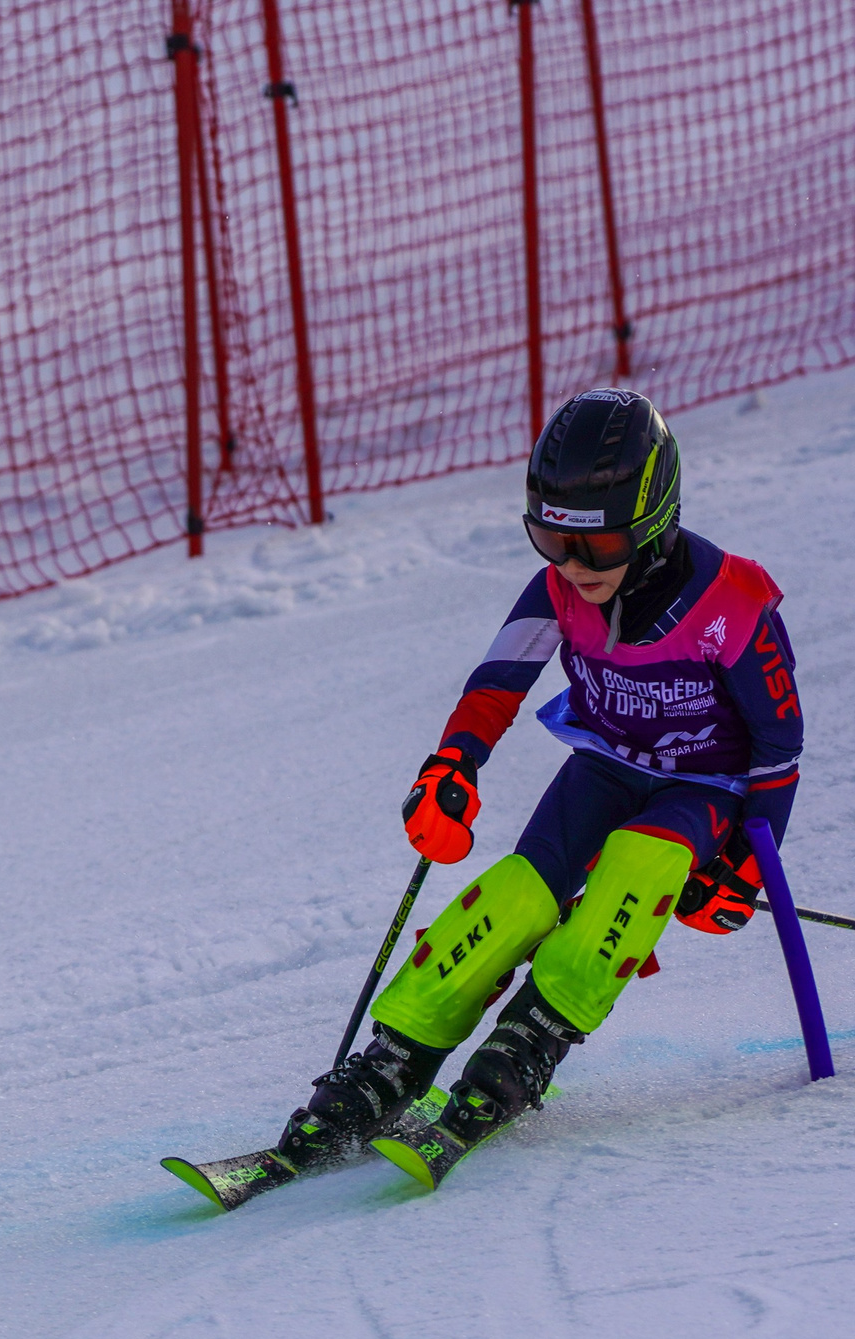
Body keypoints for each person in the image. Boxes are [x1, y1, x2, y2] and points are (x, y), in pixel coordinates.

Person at [282, 388, 803, 1188]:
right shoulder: (560, 588)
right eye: (549, 538)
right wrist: (451, 767)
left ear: (656, 521)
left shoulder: (731, 601)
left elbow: (776, 746)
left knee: (633, 871)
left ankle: (530, 1040)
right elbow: (497, 684)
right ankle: (393, 1059)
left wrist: (745, 862)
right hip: (602, 764)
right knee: (519, 894)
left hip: (702, 785)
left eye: (596, 546)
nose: (571, 565)